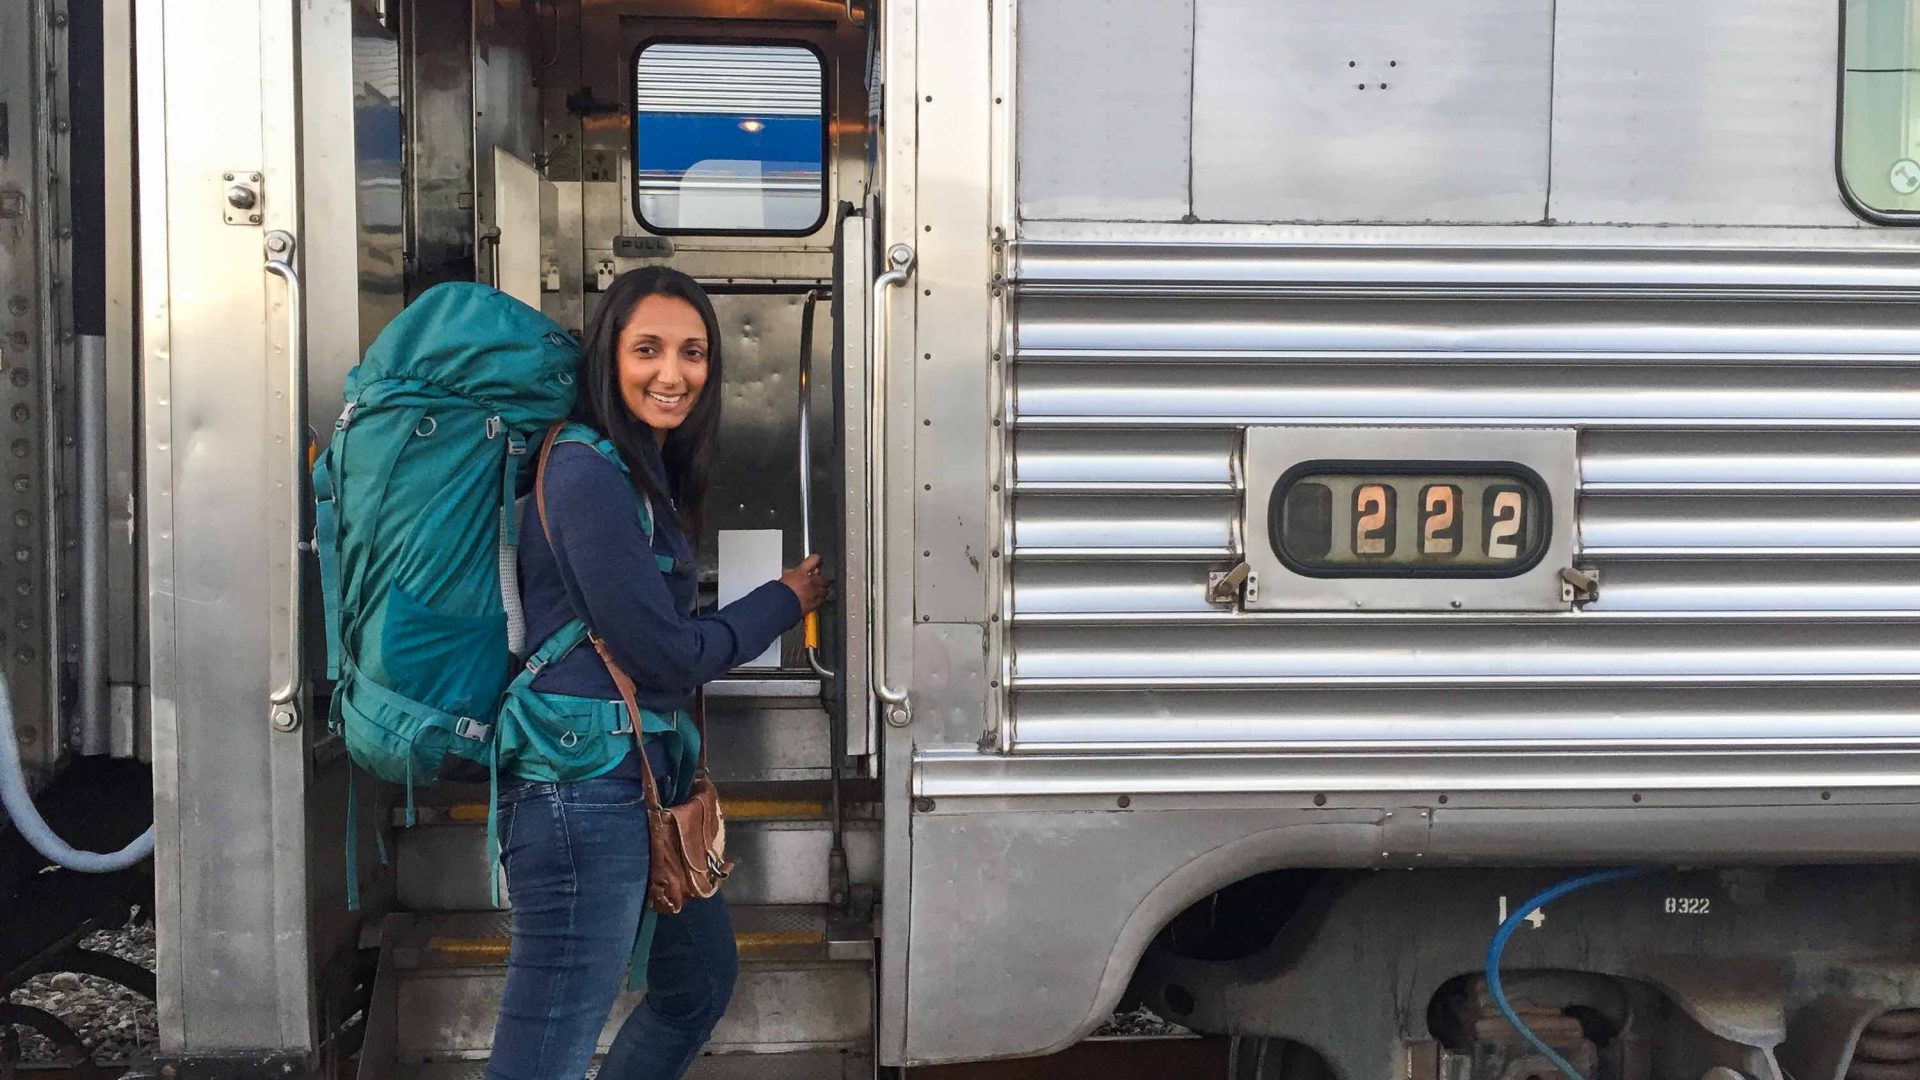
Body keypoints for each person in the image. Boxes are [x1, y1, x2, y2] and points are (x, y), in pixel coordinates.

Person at [486, 266, 829, 1080]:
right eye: (648, 349)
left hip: (643, 779)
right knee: (541, 1059)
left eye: (693, 352)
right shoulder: (584, 470)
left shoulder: (636, 469)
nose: (672, 374)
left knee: (697, 986)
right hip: (581, 790)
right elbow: (667, 655)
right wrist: (784, 599)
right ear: (609, 357)